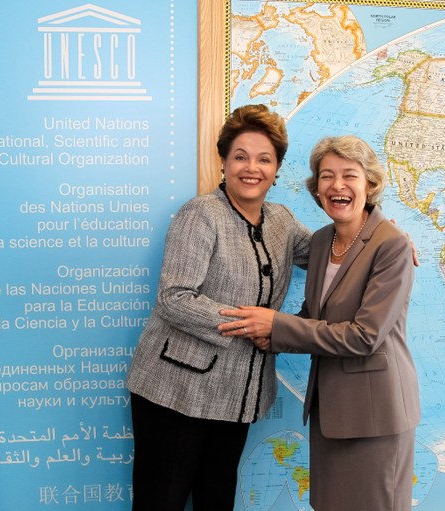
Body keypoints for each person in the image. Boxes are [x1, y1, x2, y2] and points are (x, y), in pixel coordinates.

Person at [218, 135, 420, 511]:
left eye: (349, 176)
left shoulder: (391, 246)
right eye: (327, 176)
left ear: (370, 184)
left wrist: (276, 326)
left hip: (376, 414)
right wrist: (270, 337)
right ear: (316, 188)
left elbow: (365, 337)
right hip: (331, 410)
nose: (337, 186)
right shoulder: (322, 241)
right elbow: (314, 319)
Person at [125, 104, 311, 510]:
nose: (251, 168)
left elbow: (333, 256)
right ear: (223, 161)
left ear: (277, 168)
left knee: (216, 501)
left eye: (264, 159)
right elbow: (175, 298)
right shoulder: (201, 214)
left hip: (237, 397)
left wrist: (381, 240)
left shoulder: (282, 221)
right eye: (240, 156)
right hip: (175, 391)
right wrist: (256, 325)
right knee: (161, 502)